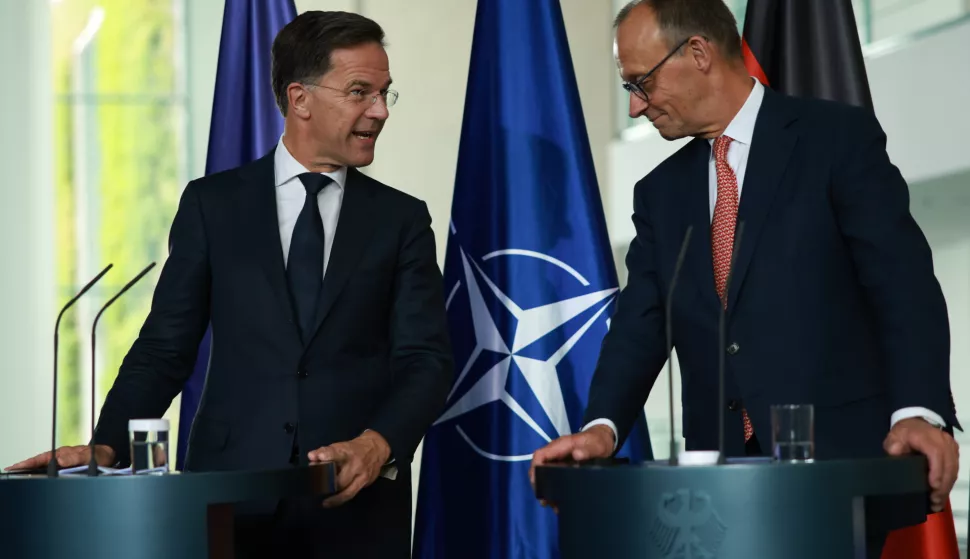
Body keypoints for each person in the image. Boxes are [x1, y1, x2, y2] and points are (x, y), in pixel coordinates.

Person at [7, 10, 453, 559]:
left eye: (386, 93)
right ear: (300, 98)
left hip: (354, 505)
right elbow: (165, 348)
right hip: (227, 500)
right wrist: (108, 443)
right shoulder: (211, 205)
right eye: (360, 91)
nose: (380, 111)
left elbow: (426, 360)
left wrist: (376, 445)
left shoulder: (401, 220)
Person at [530, 1, 960, 557]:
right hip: (714, 492)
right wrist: (602, 428)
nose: (635, 107)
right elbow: (640, 322)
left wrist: (919, 412)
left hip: (837, 475)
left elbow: (902, 286)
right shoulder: (660, 193)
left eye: (641, 82)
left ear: (699, 53)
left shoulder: (835, 140)